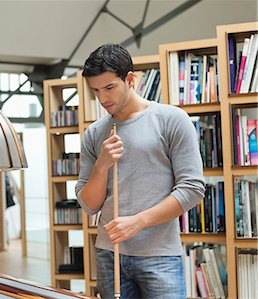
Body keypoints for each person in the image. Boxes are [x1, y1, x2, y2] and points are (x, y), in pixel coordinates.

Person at [75, 44, 205, 298]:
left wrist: (138, 222)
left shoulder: (172, 120)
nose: (103, 99)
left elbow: (192, 190)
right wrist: (101, 166)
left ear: (130, 79)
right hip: (108, 254)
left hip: (160, 255)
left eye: (109, 87)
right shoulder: (94, 134)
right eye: (96, 91)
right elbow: (89, 205)